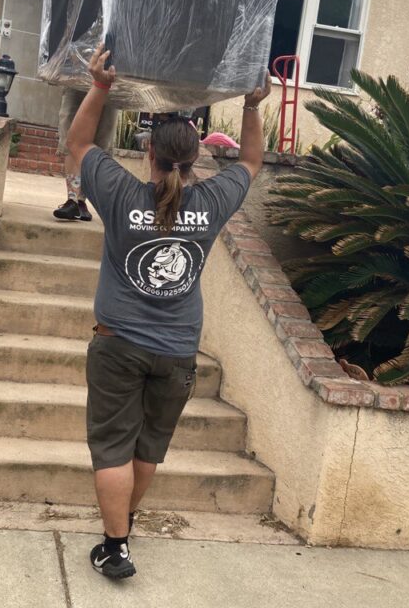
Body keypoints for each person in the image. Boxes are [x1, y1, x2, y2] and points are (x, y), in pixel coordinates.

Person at [66, 44, 271, 579]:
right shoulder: (212, 202)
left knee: (112, 444)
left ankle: (115, 546)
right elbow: (251, 162)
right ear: (195, 158)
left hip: (117, 345)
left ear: (148, 155)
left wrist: (101, 86)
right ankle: (124, 529)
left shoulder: (117, 192)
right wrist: (251, 106)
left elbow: (79, 142)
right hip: (178, 351)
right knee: (148, 445)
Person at [53, 88, 119, 221]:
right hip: (76, 79)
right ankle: (73, 200)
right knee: (70, 134)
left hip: (111, 83)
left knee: (101, 139)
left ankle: (80, 201)